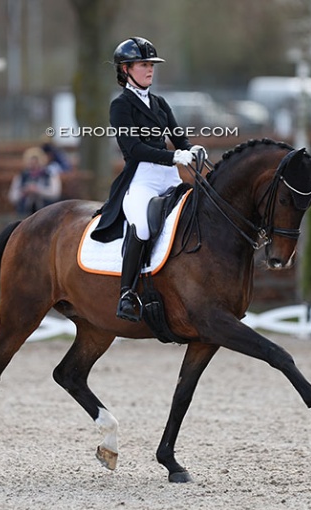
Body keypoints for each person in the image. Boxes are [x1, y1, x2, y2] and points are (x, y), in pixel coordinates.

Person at [90, 36, 207, 322]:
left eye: (151, 64)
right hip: (141, 178)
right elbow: (133, 149)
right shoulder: (121, 106)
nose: (150, 69)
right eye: (144, 65)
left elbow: (179, 138)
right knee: (142, 226)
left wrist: (191, 149)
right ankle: (127, 293)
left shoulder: (159, 102)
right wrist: (172, 157)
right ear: (126, 69)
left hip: (168, 177)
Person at [8, 146, 62, 216]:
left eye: (36, 163)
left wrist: (38, 190)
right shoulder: (21, 177)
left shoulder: (50, 175)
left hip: (46, 214)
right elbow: (12, 197)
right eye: (31, 163)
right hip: (24, 214)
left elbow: (55, 193)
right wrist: (23, 192)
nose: (33, 166)